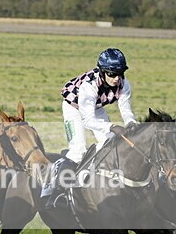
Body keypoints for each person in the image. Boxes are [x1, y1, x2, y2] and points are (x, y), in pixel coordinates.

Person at [42, 47, 137, 207]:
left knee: (111, 144)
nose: (116, 78)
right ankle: (57, 193)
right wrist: (112, 126)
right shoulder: (89, 86)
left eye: (120, 73)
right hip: (74, 107)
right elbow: (87, 120)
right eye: (112, 74)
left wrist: (131, 123)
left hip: (95, 107)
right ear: (103, 71)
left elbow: (125, 109)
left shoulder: (124, 84)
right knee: (78, 150)